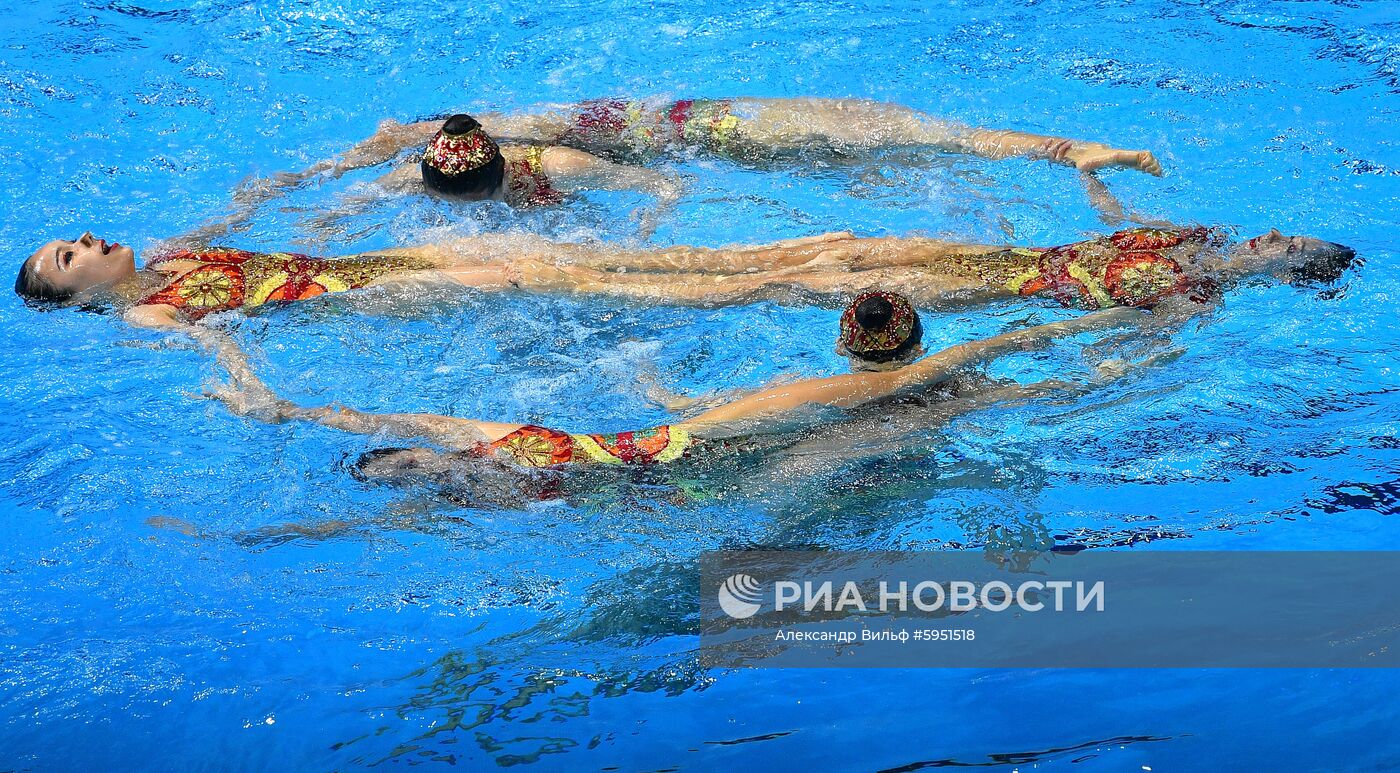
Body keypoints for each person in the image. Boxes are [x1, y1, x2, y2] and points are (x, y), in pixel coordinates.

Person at [209, 292, 1143, 503]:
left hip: (673, 447)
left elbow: (381, 415)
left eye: (414, 461)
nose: (425, 454)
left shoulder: (497, 439)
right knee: (907, 409)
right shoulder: (500, 479)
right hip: (679, 458)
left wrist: (274, 404)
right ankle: (1115, 356)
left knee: (901, 412)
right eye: (416, 465)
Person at [13, 223, 1354, 333]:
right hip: (391, 297)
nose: (78, 242)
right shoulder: (157, 323)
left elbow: (259, 212)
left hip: (397, 256)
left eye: (67, 237)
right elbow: (229, 371)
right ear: (82, 300)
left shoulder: (184, 252)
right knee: (671, 287)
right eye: (63, 260)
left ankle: (781, 272)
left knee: (782, 261)